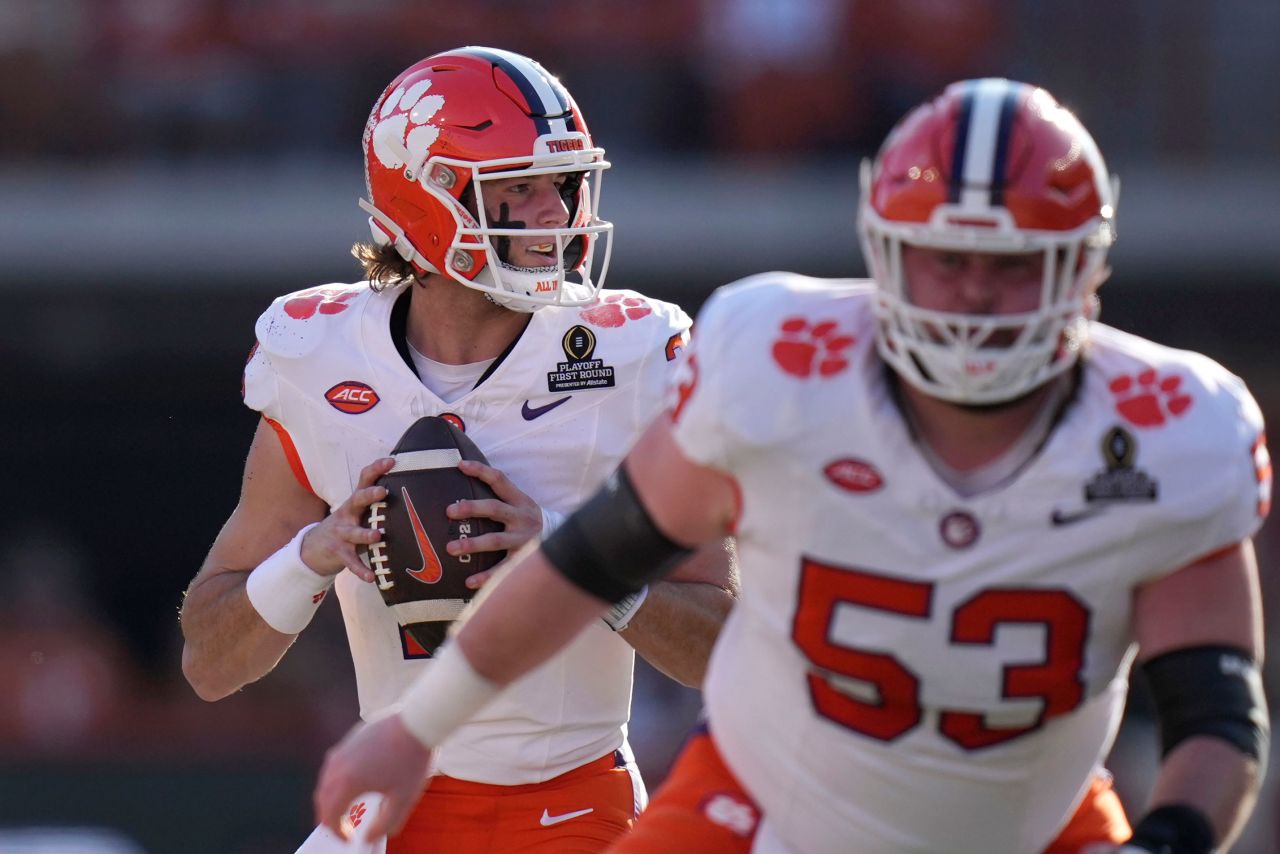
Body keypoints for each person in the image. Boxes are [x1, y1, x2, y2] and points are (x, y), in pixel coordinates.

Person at [312, 78, 1272, 854]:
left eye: (1015, 264)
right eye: (945, 258)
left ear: (1083, 270)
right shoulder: (779, 362)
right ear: (885, 253)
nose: (976, 294)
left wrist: (1172, 842)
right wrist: (414, 727)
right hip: (764, 799)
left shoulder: (1169, 431)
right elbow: (591, 562)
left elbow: (1217, 714)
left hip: (1026, 816)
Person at [179, 46, 736, 853]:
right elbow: (209, 662)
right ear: (427, 201)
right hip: (387, 806)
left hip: (575, 803)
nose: (556, 214)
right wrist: (313, 555)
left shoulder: (635, 356)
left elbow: (726, 649)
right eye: (518, 188)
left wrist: (575, 563)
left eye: (563, 183)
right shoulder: (320, 356)